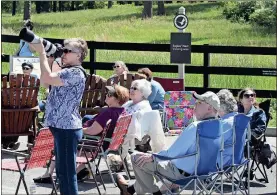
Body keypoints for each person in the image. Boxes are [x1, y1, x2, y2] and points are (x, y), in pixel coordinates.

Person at [115, 91, 221, 195]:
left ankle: (155, 193)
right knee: (149, 166)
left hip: (179, 174)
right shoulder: (219, 126)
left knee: (136, 158)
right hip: (202, 173)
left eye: (199, 103)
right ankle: (129, 190)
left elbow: (172, 153)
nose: (195, 105)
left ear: (209, 108)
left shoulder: (195, 127)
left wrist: (153, 156)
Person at [33, 84, 130, 183]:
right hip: (105, 143)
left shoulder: (108, 112)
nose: (106, 95)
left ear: (118, 99)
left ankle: (49, 174)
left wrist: (75, 130)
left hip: (93, 144)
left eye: (110, 94)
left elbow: (92, 131)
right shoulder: (122, 111)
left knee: (61, 141)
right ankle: (78, 171)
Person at [29, 37, 88, 195]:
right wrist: (48, 59)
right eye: (63, 49)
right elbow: (44, 81)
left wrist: (41, 53)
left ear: (79, 55)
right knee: (62, 173)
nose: (64, 53)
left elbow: (48, 78)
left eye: (68, 51)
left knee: (67, 175)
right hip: (60, 127)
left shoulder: (75, 73)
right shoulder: (66, 70)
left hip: (67, 129)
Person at [216, 89, 238, 167]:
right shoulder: (240, 118)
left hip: (224, 160)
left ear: (220, 107)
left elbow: (214, 144)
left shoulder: (226, 123)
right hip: (238, 158)